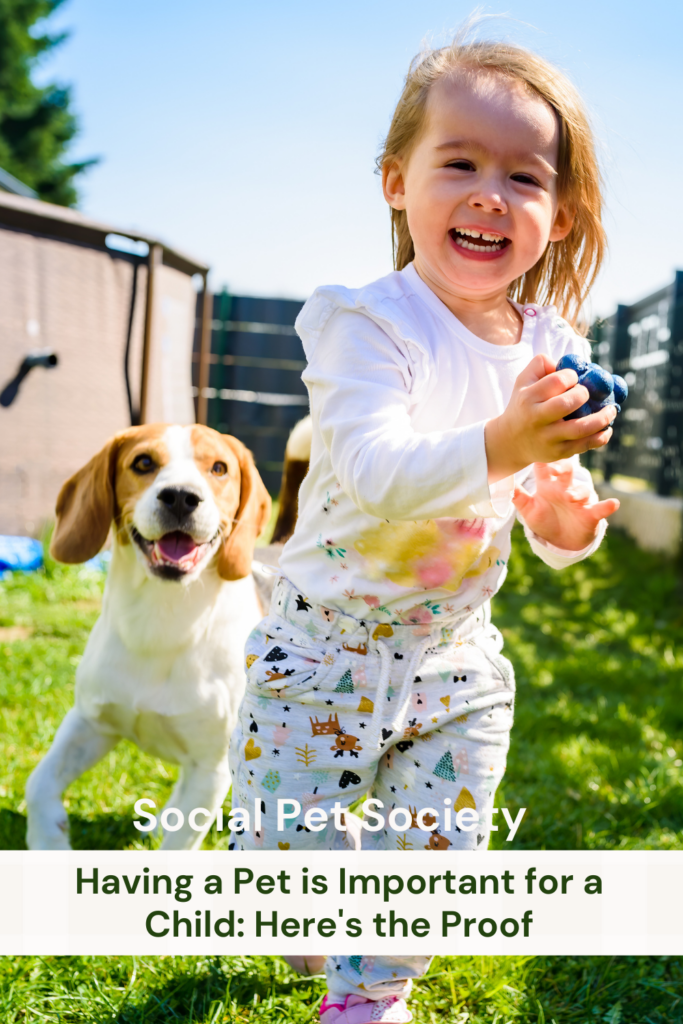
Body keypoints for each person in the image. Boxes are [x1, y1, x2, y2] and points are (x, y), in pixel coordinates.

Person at [229, 30, 619, 1024]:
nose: (490, 192)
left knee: (441, 852)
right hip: (320, 649)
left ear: (558, 215)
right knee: (282, 862)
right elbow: (372, 468)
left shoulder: (550, 349)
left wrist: (563, 518)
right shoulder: (364, 321)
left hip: (451, 659)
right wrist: (504, 443)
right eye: (460, 163)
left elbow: (544, 497)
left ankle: (371, 996)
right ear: (397, 182)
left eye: (522, 177)